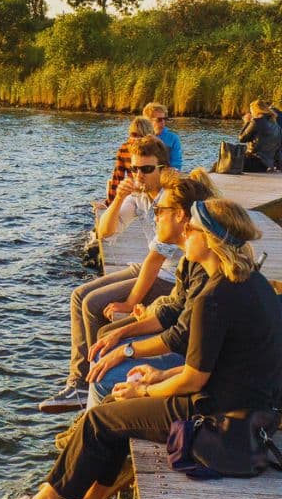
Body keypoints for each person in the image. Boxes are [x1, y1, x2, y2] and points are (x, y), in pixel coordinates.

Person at [0, 199, 282, 499]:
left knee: (101, 419)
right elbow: (218, 365)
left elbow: (194, 378)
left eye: (191, 228)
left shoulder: (215, 296)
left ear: (209, 240)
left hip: (223, 425)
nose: (185, 232)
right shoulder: (250, 283)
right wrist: (158, 375)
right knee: (118, 414)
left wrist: (144, 390)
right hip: (253, 415)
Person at [39, 135, 179, 413]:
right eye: (135, 169)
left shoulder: (170, 199)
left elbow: (155, 261)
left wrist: (129, 304)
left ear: (162, 169)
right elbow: (105, 232)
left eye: (146, 169)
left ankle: (89, 382)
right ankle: (79, 382)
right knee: (79, 295)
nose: (139, 175)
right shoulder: (139, 196)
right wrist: (118, 198)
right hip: (153, 266)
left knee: (93, 304)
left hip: (172, 276)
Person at [84, 168, 219, 401]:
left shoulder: (207, 269)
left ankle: (99, 420)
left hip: (196, 369)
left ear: (179, 215)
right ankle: (97, 421)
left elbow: (181, 337)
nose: (155, 217)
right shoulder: (189, 260)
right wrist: (120, 335)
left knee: (103, 377)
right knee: (106, 343)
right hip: (189, 354)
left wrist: (126, 351)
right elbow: (171, 311)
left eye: (159, 211)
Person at [104, 116, 155, 205]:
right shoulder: (124, 148)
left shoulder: (156, 149)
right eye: (134, 135)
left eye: (140, 135)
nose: (137, 138)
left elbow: (117, 177)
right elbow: (117, 177)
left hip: (144, 192)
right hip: (140, 192)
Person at [238, 100, 282, 173]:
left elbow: (242, 138)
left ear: (255, 111)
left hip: (254, 162)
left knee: (226, 160)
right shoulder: (276, 125)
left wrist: (247, 122)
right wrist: (279, 166)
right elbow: (278, 148)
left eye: (251, 111)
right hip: (265, 165)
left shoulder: (256, 121)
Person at [144, 102, 183, 169]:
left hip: (166, 175)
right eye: (159, 119)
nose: (163, 122)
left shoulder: (173, 138)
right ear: (148, 121)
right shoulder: (142, 137)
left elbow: (176, 165)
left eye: (164, 119)